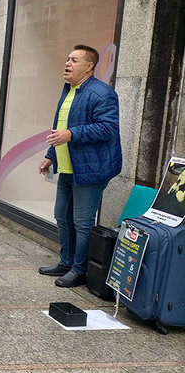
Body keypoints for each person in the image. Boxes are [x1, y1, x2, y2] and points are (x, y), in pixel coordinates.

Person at [38, 45, 122, 288]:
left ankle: (79, 269)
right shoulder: (69, 91)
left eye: (74, 60)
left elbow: (107, 128)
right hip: (67, 167)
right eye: (67, 59)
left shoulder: (102, 93)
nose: (67, 63)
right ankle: (66, 262)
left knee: (82, 222)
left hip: (91, 168)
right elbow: (61, 129)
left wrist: (72, 134)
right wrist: (50, 155)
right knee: (62, 216)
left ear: (89, 66)